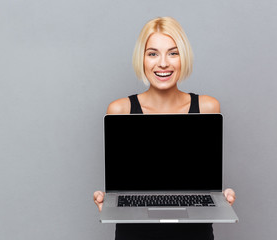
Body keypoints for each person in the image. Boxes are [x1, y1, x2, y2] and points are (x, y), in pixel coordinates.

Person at [94, 16, 236, 240]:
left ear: (183, 57)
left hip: (194, 234)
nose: (163, 63)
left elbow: (204, 176)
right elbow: (122, 181)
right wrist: (112, 202)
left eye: (173, 52)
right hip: (135, 233)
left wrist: (219, 196)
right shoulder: (120, 110)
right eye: (153, 53)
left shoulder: (208, 107)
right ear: (142, 59)